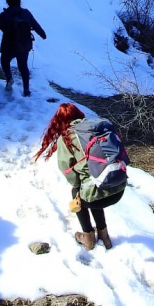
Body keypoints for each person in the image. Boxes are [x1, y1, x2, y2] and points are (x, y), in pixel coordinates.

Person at [34, 103, 126, 249]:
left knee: (78, 191)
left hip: (97, 196)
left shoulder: (67, 137)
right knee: (92, 185)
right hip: (119, 187)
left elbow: (67, 170)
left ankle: (88, 237)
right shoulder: (97, 128)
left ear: (60, 121)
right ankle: (104, 235)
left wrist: (77, 183)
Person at [0, 0, 46, 97]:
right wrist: (43, 35)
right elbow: (36, 26)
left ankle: (9, 79)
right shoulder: (26, 13)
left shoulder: (4, 15)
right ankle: (26, 90)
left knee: (5, 60)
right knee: (23, 66)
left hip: (8, 45)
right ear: (19, 1)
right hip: (24, 44)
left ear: (7, 2)